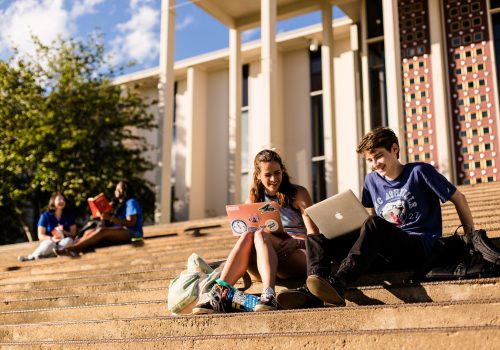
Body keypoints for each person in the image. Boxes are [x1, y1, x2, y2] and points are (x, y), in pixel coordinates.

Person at [277, 126, 475, 309]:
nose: (374, 165)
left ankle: (338, 281)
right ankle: (313, 289)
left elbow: (460, 198)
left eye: (378, 157)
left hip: (419, 246)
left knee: (373, 223)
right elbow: (368, 220)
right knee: (317, 237)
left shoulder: (419, 171)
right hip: (384, 251)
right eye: (369, 160)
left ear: (394, 149)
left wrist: (471, 239)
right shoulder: (371, 180)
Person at [192, 149, 319, 314]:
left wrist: (297, 242)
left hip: (297, 255)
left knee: (259, 234)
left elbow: (315, 236)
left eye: (277, 173)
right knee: (249, 234)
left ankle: (268, 294)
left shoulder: (298, 193)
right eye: (268, 175)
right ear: (258, 175)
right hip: (265, 258)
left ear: (283, 171)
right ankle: (219, 291)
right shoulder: (254, 197)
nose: (274, 179)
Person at [54, 181, 143, 257]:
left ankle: (72, 248)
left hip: (132, 233)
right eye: (116, 189)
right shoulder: (117, 204)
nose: (116, 191)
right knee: (88, 232)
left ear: (126, 191)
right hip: (118, 231)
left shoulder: (131, 202)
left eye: (119, 189)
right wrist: (103, 215)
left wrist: (111, 218)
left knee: (101, 231)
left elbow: (131, 223)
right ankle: (74, 247)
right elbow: (108, 222)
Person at [18, 192, 77, 261]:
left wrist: (63, 232)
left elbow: (73, 234)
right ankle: (31, 256)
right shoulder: (45, 216)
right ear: (53, 201)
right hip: (50, 242)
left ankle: (46, 256)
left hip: (63, 243)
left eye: (63, 200)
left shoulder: (68, 216)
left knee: (69, 240)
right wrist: (52, 238)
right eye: (59, 199)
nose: (62, 201)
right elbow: (40, 235)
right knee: (49, 244)